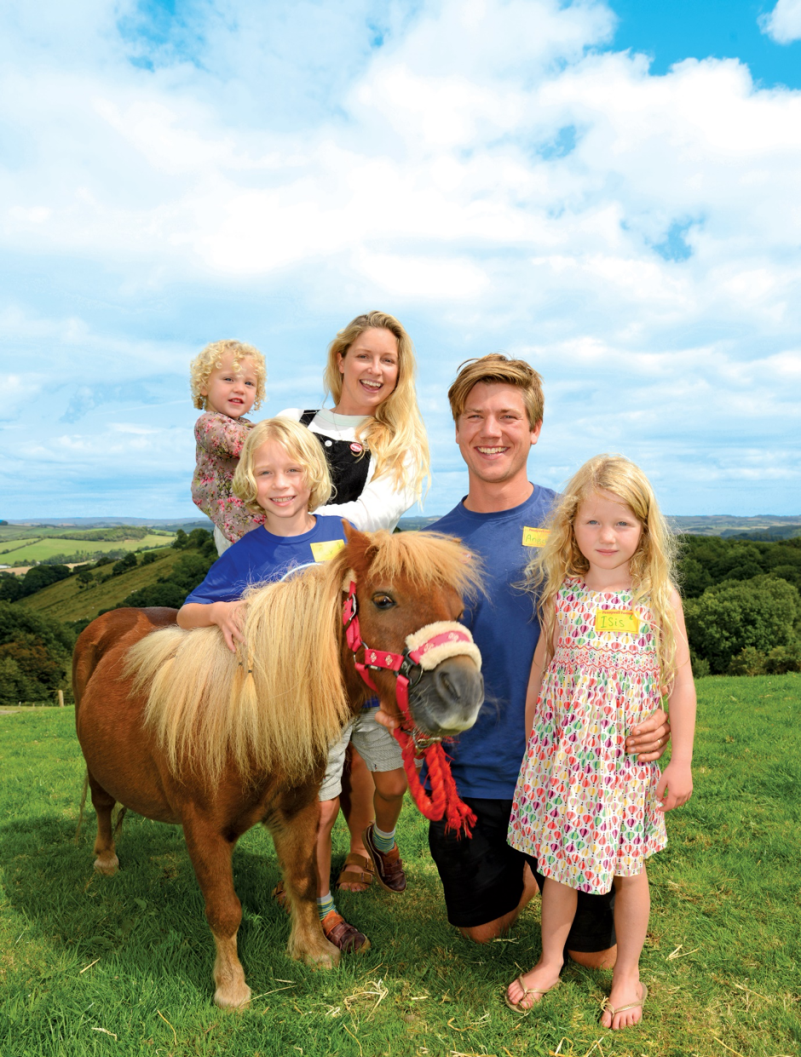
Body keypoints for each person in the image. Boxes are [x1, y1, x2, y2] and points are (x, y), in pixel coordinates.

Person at [377, 355, 671, 974]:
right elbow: (407, 653)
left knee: (595, 958)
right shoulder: (434, 544)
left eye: (509, 416)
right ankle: (528, 876)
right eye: (475, 416)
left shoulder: (583, 523)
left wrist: (660, 717)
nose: (492, 430)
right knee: (482, 932)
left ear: (534, 428)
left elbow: (648, 623)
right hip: (473, 775)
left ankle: (562, 882)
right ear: (456, 429)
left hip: (575, 771)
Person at [178, 416, 406, 954]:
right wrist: (220, 613)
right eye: (265, 473)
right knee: (320, 810)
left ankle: (382, 843)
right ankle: (322, 907)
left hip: (365, 694)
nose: (280, 484)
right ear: (248, 483)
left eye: (292, 470)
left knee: (393, 784)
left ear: (313, 475)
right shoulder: (247, 552)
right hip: (307, 712)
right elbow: (187, 612)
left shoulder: (344, 536)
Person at [505, 455, 696, 1028]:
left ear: (644, 530)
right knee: (557, 866)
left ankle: (628, 973)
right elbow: (544, 668)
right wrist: (534, 742)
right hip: (561, 759)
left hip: (622, 765)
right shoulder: (561, 593)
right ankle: (548, 961)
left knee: (628, 868)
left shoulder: (655, 595)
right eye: (593, 523)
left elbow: (681, 679)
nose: (606, 537)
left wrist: (679, 760)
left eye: (622, 524)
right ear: (571, 527)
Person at [278, 312, 430, 896]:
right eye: (363, 355)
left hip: (351, 603)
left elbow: (371, 519)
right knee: (298, 745)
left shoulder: (400, 443)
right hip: (285, 605)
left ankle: (366, 848)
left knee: (366, 745)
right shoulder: (292, 421)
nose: (375, 369)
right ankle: (301, 860)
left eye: (388, 360)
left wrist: (289, 524)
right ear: (340, 358)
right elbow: (253, 488)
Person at [190, 339, 267, 556]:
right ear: (204, 386)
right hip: (234, 531)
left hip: (249, 524)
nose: (239, 389)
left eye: (249, 383)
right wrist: (279, 432)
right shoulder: (208, 423)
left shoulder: (244, 426)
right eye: (228, 379)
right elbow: (233, 440)